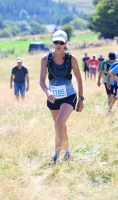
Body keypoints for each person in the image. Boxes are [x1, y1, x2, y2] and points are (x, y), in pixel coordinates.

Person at [39, 30, 84, 165]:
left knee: (58, 124)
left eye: (61, 42)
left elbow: (79, 80)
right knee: (61, 126)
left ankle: (56, 156)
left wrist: (81, 100)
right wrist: (47, 92)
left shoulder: (72, 59)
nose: (58, 44)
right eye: (56, 42)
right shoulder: (45, 59)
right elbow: (41, 81)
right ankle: (68, 152)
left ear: (65, 43)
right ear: (53, 42)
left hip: (69, 96)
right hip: (53, 97)